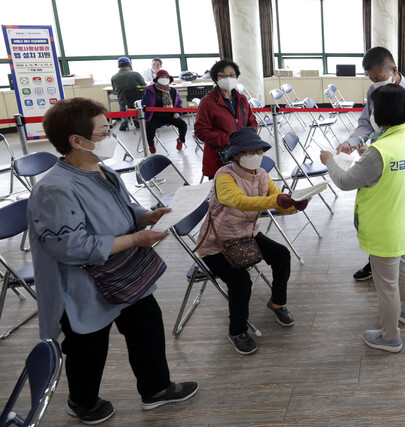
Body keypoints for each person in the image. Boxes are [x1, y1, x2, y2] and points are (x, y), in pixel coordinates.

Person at [29, 98, 198, 424]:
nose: (113, 137)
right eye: (105, 132)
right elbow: (72, 246)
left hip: (125, 272)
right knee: (89, 346)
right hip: (82, 284)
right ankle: (82, 401)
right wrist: (136, 239)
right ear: (77, 141)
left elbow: (124, 209)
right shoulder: (55, 189)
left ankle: (156, 389)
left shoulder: (101, 170)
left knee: (147, 324)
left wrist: (147, 216)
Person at [320, 84, 405, 353]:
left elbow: (345, 181)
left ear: (379, 113)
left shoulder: (379, 151)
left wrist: (329, 161)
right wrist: (367, 156)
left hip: (384, 228)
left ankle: (390, 337)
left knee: (386, 286)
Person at [197, 127, 307, 355]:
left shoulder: (263, 175)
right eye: (250, 152)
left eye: (259, 151)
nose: (256, 155)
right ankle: (236, 331)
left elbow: (276, 202)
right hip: (216, 244)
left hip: (247, 235)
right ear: (236, 155)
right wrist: (276, 200)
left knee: (281, 254)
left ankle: (277, 303)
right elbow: (240, 201)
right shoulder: (224, 176)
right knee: (241, 281)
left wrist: (293, 205)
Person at [335, 46, 405, 281]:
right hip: (379, 161)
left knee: (404, 218)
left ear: (393, 69)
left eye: (379, 77)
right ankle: (377, 263)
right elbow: (366, 123)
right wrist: (351, 142)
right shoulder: (374, 91)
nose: (375, 83)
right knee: (378, 217)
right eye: (371, 79)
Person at [194, 59, 258, 179]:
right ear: (216, 78)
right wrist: (228, 140)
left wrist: (249, 135)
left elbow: (252, 120)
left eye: (231, 75)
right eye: (223, 76)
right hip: (220, 158)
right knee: (224, 194)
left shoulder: (241, 99)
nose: (228, 78)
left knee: (244, 191)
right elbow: (201, 131)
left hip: (243, 154)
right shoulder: (207, 102)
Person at [141, 69, 186, 153]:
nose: (164, 79)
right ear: (157, 79)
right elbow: (144, 104)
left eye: (166, 77)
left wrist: (178, 113)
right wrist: (146, 117)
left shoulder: (173, 91)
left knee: (183, 125)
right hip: (154, 116)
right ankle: (151, 144)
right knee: (149, 127)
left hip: (170, 115)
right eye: (162, 77)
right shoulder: (150, 90)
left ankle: (180, 140)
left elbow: (179, 104)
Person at [110, 56, 144, 131]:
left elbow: (115, 91)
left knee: (122, 103)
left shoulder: (114, 77)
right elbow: (143, 86)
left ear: (118, 66)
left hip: (123, 100)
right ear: (130, 65)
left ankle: (124, 122)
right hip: (135, 101)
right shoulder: (136, 74)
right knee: (135, 104)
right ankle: (136, 121)